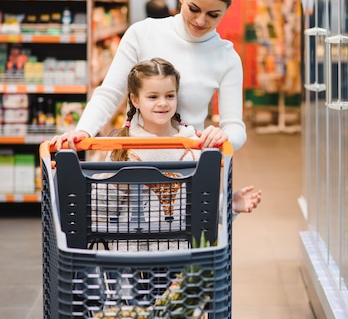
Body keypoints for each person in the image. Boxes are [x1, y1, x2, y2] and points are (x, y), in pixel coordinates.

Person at [51, 0, 246, 152]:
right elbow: (109, 93)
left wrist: (225, 136)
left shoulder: (226, 57)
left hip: (188, 167)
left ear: (226, 9)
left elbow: (235, 127)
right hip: (135, 161)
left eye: (213, 15)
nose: (200, 20)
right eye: (193, 9)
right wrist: (83, 130)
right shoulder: (142, 33)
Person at [92, 58, 261, 237]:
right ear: (135, 100)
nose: (163, 103)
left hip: (181, 255)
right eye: (152, 96)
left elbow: (198, 206)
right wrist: (118, 187)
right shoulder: (123, 148)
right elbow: (99, 211)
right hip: (131, 256)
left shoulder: (192, 146)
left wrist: (228, 204)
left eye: (170, 96)